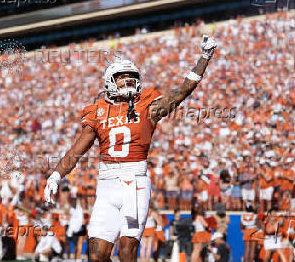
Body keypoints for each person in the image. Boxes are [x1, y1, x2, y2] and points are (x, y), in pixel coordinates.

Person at [44, 36, 218, 261]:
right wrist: (56, 175)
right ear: (109, 81)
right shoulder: (96, 111)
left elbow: (183, 90)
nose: (127, 80)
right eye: (121, 77)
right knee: (96, 254)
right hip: (106, 186)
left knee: (127, 251)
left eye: (131, 77)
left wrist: (204, 57)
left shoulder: (147, 107)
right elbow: (76, 151)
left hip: (134, 183)